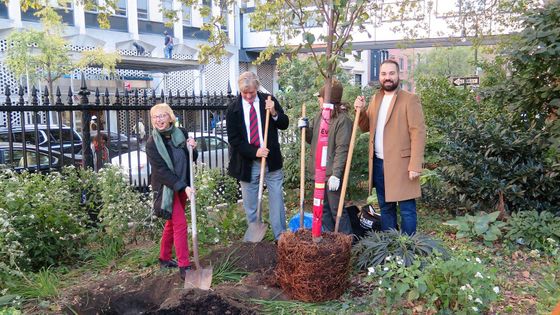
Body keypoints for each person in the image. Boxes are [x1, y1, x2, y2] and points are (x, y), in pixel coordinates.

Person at [354, 59, 426, 235]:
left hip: (403, 165)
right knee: (386, 208)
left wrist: (415, 165)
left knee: (407, 209)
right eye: (384, 74)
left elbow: (419, 133)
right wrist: (361, 110)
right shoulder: (376, 98)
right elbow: (366, 127)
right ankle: (391, 246)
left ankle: (409, 247)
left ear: (398, 75)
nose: (388, 78)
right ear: (379, 77)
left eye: (391, 73)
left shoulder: (410, 100)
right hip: (379, 163)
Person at [226, 71, 289, 241]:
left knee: (276, 200)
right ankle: (256, 239)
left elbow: (284, 123)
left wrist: (275, 113)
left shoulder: (268, 101)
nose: (248, 97)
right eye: (244, 93)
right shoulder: (233, 109)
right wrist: (255, 152)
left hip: (271, 160)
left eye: (251, 93)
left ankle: (280, 237)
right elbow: (234, 140)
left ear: (257, 88)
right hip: (247, 163)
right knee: (251, 204)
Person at [146, 103, 198, 279]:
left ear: (170, 117)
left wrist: (193, 147)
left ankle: (164, 258)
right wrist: (182, 187)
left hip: (184, 184)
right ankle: (184, 266)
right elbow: (161, 171)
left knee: (172, 222)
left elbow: (191, 158)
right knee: (180, 223)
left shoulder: (180, 133)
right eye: (155, 117)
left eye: (162, 116)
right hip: (167, 188)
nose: (159, 120)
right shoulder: (152, 143)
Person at [299, 80, 353, 234]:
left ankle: (347, 242)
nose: (318, 100)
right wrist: (305, 130)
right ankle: (330, 239)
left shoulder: (343, 121)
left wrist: (336, 174)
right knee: (322, 209)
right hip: (319, 172)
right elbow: (313, 140)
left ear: (328, 99)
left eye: (320, 97)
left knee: (337, 210)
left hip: (331, 175)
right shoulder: (321, 116)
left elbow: (342, 149)